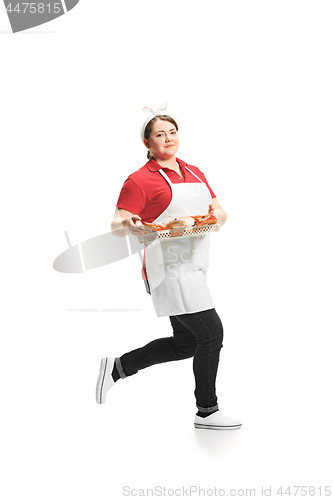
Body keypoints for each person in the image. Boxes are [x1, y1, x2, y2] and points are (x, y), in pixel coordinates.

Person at [95, 103, 241, 431]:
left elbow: (219, 212)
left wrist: (211, 219)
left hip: (195, 262)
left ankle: (118, 367)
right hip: (167, 266)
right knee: (212, 334)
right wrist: (130, 224)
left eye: (173, 132)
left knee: (186, 344)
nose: (169, 138)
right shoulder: (139, 180)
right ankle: (207, 410)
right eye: (160, 134)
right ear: (147, 144)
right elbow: (118, 222)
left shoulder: (193, 171)